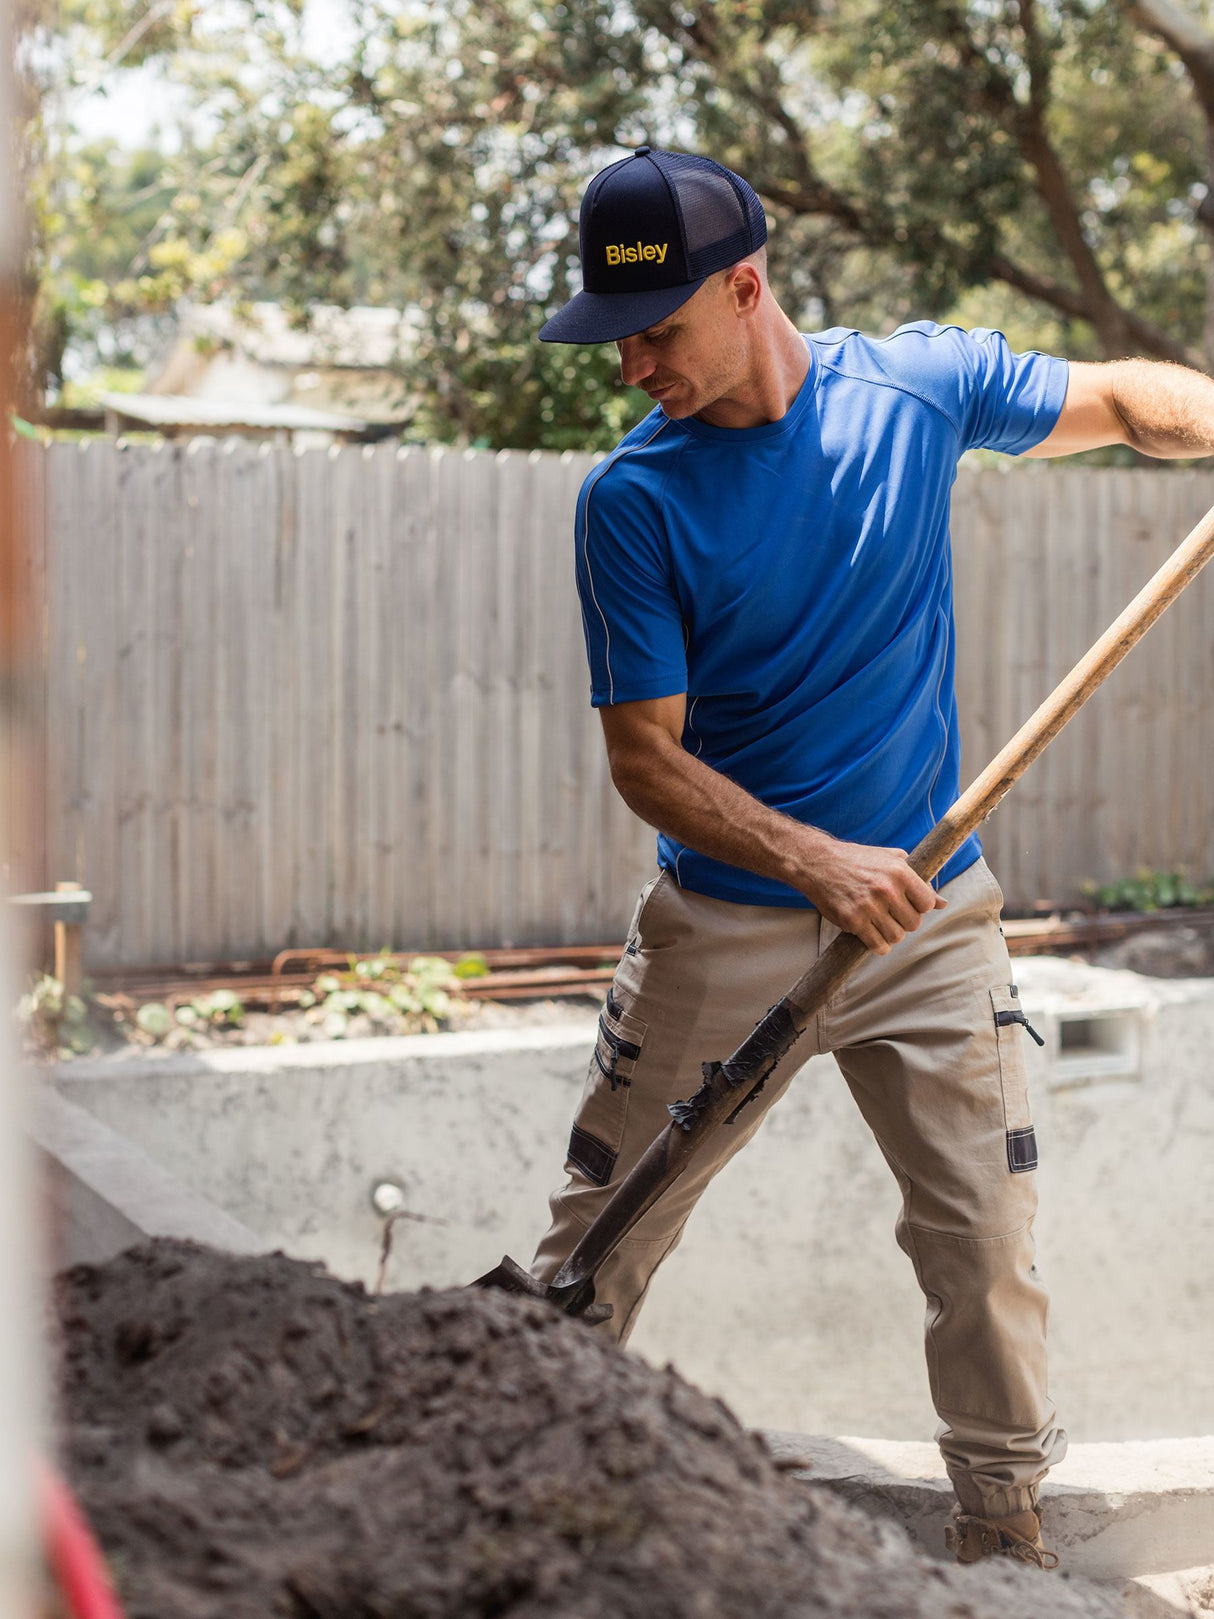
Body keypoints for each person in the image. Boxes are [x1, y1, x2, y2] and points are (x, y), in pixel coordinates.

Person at [527, 145, 1214, 1566]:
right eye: (615, 334)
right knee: (603, 1238)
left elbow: (1129, 404)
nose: (629, 365)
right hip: (724, 931)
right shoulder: (632, 502)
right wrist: (815, 862)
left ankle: (1002, 1534)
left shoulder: (912, 390)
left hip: (932, 921)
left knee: (982, 1249)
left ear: (746, 287)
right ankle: (519, 1491)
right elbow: (645, 760)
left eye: (653, 331)